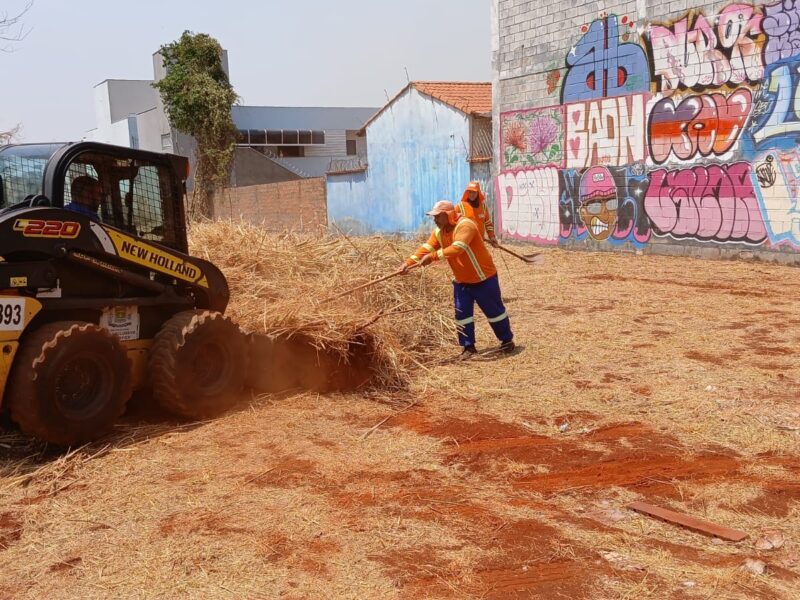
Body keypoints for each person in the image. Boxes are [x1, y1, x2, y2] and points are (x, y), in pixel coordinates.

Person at [401, 200, 514, 360]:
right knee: (463, 315)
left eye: (438, 217)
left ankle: (507, 340)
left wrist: (433, 257)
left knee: (495, 313)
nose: (435, 220)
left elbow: (458, 248)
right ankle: (468, 347)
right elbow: (426, 248)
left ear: (448, 215)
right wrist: (407, 263)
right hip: (462, 281)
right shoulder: (439, 232)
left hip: (483, 278)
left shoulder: (466, 225)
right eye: (434, 217)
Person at [456, 181, 498, 247]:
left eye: (474, 192)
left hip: (479, 243)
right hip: (465, 244)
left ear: (478, 193)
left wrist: (492, 237)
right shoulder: (460, 207)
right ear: (467, 193)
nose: (471, 194)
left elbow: (488, 224)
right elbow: (453, 224)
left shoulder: (483, 207)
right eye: (470, 192)